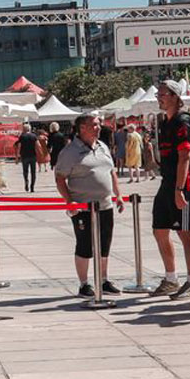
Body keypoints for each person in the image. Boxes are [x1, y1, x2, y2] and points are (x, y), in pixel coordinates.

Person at [54, 112, 124, 298]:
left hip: (105, 205)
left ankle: (103, 280)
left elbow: (111, 172)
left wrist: (118, 195)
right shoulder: (70, 152)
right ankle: (84, 284)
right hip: (83, 207)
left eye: (99, 123)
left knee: (104, 244)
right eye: (94, 124)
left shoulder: (102, 146)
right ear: (82, 128)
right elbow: (60, 178)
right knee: (85, 245)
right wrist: (69, 201)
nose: (99, 127)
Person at [151, 80, 190, 299]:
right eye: (158, 95)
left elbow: (185, 156)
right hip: (167, 182)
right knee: (159, 229)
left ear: (174, 96)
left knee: (185, 232)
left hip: (184, 184)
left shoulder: (183, 121)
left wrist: (179, 189)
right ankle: (171, 278)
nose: (159, 98)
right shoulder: (165, 122)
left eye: (162, 94)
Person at [18, 121, 40, 192]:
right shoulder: (34, 136)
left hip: (24, 156)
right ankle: (32, 186)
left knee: (25, 171)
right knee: (33, 172)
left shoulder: (22, 136)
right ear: (29, 129)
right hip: (33, 155)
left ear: (24, 129)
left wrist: (17, 156)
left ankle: (26, 182)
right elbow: (38, 145)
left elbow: (19, 146)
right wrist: (39, 153)